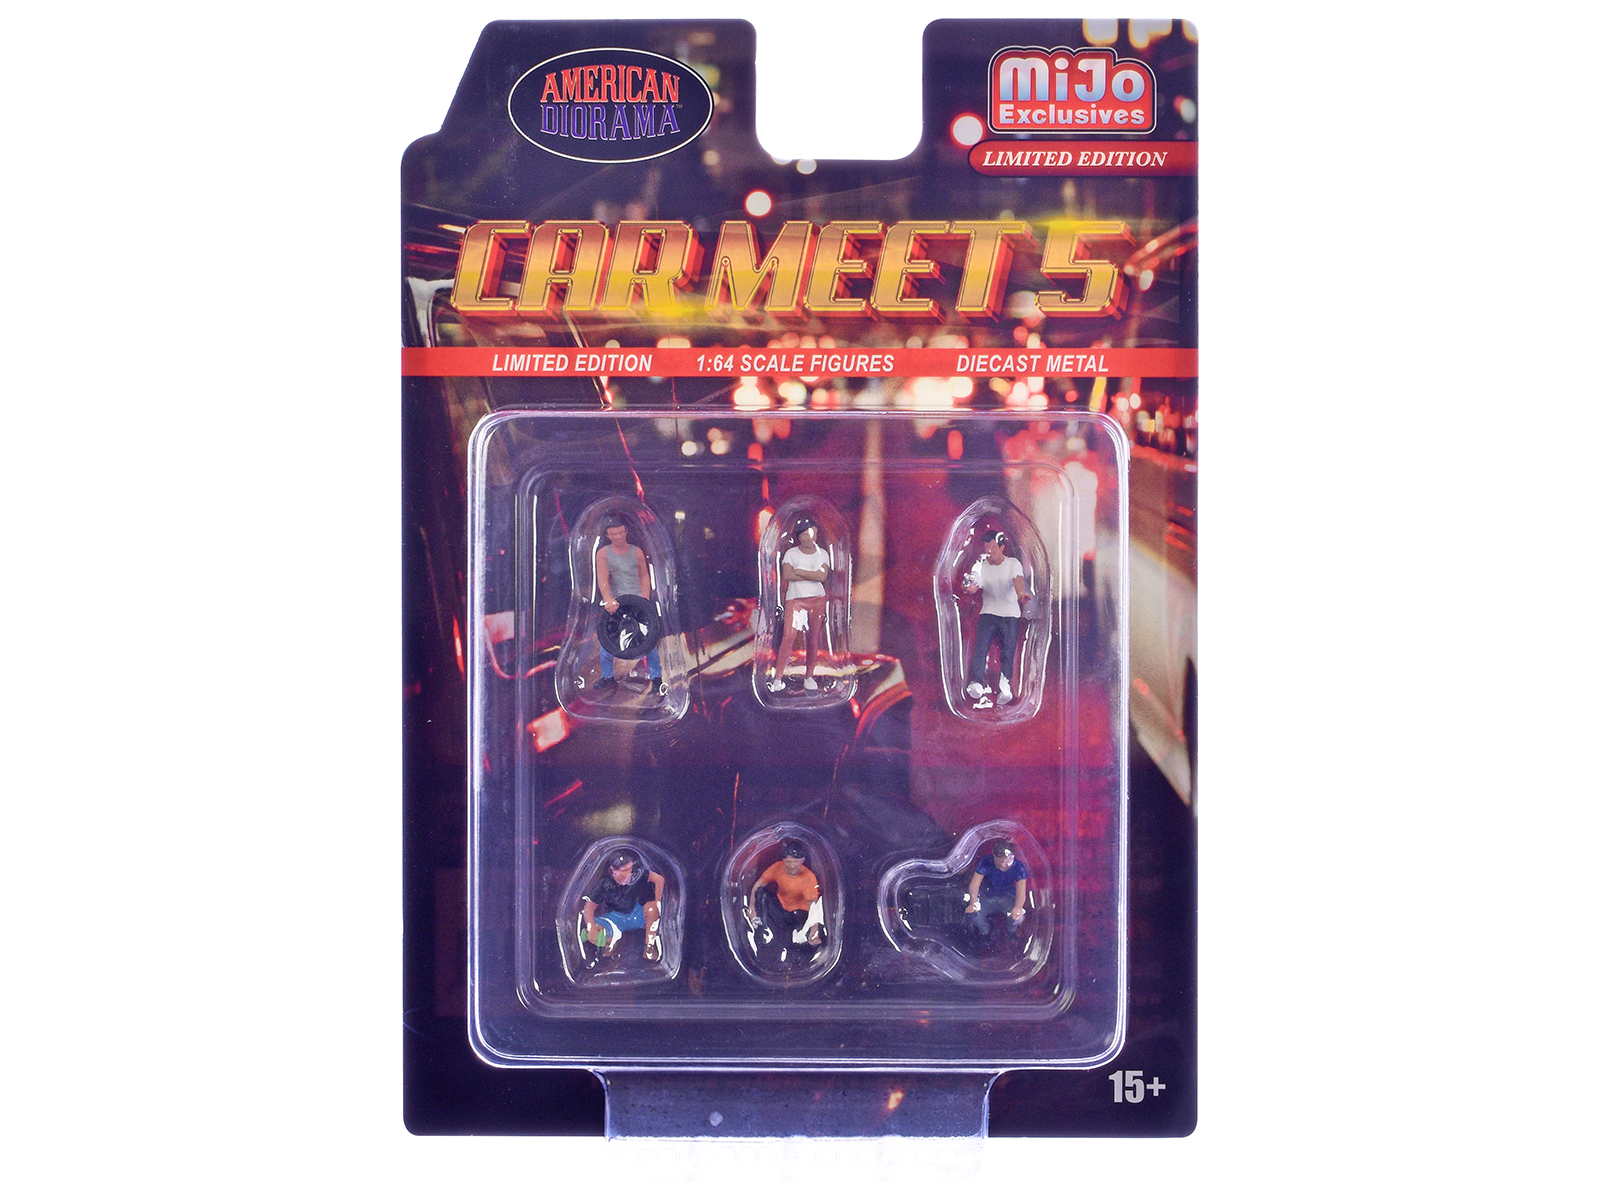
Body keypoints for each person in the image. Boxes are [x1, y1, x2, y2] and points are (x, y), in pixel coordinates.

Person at [594, 517, 665, 699]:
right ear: (607, 535)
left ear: (626, 531)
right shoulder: (603, 553)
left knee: (648, 641)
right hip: (616, 604)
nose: (618, 536)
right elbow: (602, 578)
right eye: (613, 534)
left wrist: (645, 598)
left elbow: (644, 575)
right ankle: (607, 676)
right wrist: (608, 599)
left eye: (620, 532)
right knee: (608, 641)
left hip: (638, 602)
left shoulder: (636, 551)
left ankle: (656, 677)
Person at [962, 530, 1031, 707]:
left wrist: (1021, 594)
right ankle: (977, 682)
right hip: (988, 613)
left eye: (992, 546)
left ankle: (1005, 685)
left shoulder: (1012, 564)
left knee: (1008, 652)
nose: (989, 550)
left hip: (1010, 615)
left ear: (1001, 547)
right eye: (986, 546)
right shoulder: (981, 565)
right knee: (980, 648)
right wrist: (968, 588)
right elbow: (974, 584)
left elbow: (1018, 580)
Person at [768, 517, 829, 693]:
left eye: (813, 533)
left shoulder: (822, 554)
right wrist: (811, 574)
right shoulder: (791, 553)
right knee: (788, 636)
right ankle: (778, 678)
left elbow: (821, 577)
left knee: (813, 638)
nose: (810, 538)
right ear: (799, 536)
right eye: (805, 535)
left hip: (817, 599)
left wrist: (799, 571)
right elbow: (787, 574)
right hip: (795, 600)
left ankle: (809, 676)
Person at [746, 839, 826, 962]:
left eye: (795, 862)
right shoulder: (777, 868)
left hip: (798, 916)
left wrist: (813, 931)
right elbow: (758, 885)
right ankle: (762, 927)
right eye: (788, 862)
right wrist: (752, 909)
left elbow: (813, 907)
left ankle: (793, 950)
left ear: (802, 860)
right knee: (761, 893)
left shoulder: (808, 878)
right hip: (780, 911)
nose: (791, 865)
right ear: (783, 860)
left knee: (808, 942)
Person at [580, 849, 665, 964]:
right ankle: (610, 944)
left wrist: (658, 901)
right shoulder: (605, 884)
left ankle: (649, 945)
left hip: (637, 916)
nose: (629, 874)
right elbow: (589, 907)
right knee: (598, 928)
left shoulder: (639, 876)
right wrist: (591, 926)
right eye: (624, 870)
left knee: (652, 908)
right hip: (614, 920)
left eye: (630, 869)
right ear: (613, 870)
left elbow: (659, 879)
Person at [965, 839, 1027, 943]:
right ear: (994, 856)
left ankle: (1011, 931)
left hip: (1008, 897)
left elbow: (1021, 893)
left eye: (1007, 861)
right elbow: (974, 885)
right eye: (1000, 861)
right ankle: (985, 932)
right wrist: (973, 902)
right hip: (986, 896)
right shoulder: (986, 862)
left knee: (1017, 917)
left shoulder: (1019, 868)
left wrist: (1018, 907)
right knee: (973, 914)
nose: (1003, 865)